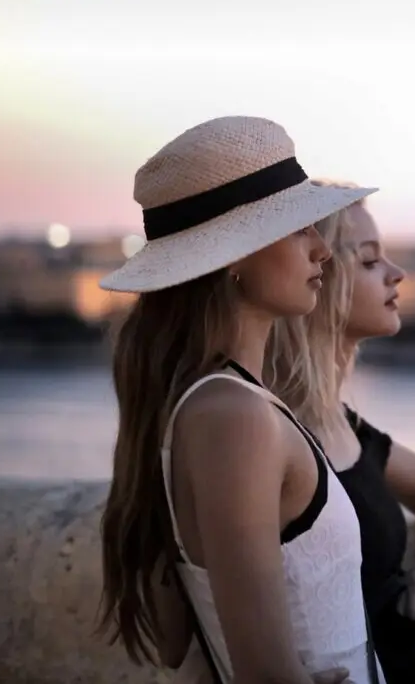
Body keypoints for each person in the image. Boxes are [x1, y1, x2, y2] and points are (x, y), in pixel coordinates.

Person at [96, 116, 383, 684]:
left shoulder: (224, 407)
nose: (322, 250)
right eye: (299, 229)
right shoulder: (234, 419)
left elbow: (180, 637)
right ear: (233, 255)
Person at [266, 189, 415, 684]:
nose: (395, 273)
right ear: (317, 274)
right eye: (369, 260)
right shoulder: (275, 431)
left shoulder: (340, 422)